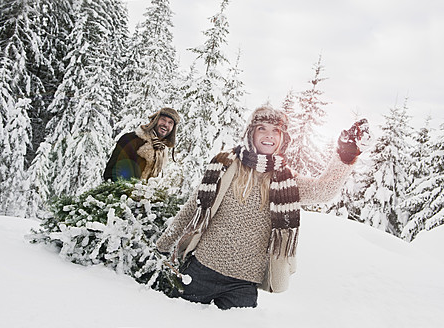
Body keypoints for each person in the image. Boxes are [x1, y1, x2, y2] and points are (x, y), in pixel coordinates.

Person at [156, 105, 370, 310]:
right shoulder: (225, 164)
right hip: (202, 271)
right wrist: (162, 248)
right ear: (251, 133)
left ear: (282, 138)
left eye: (275, 131)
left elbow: (324, 191)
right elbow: (193, 208)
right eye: (262, 129)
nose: (269, 135)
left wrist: (345, 154)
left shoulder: (286, 180)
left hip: (243, 285)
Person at [103, 107, 181, 182]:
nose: (166, 124)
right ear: (155, 120)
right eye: (163, 119)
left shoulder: (162, 150)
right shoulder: (132, 139)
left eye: (170, 123)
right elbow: (111, 173)